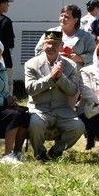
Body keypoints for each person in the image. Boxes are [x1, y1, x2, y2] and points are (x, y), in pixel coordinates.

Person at [24, 30, 84, 161]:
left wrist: (60, 77)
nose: (51, 47)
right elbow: (30, 89)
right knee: (35, 124)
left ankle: (56, 151)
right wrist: (50, 77)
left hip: (62, 109)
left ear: (61, 45)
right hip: (40, 108)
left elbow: (73, 91)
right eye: (48, 43)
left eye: (55, 44)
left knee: (78, 127)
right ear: (42, 45)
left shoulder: (71, 65)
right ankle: (40, 153)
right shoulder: (31, 64)